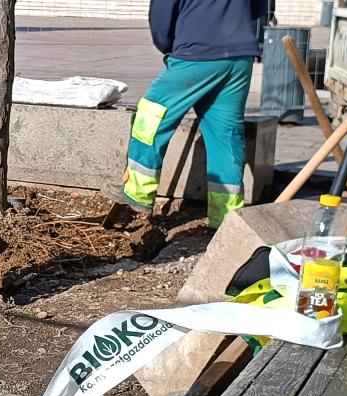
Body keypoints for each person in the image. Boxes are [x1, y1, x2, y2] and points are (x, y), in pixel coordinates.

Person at [106, 0, 265, 228]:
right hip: (240, 58)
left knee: (150, 116)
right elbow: (258, 9)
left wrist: (176, 48)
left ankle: (137, 192)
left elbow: (161, 22)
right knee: (225, 135)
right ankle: (226, 218)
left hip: (197, 54)